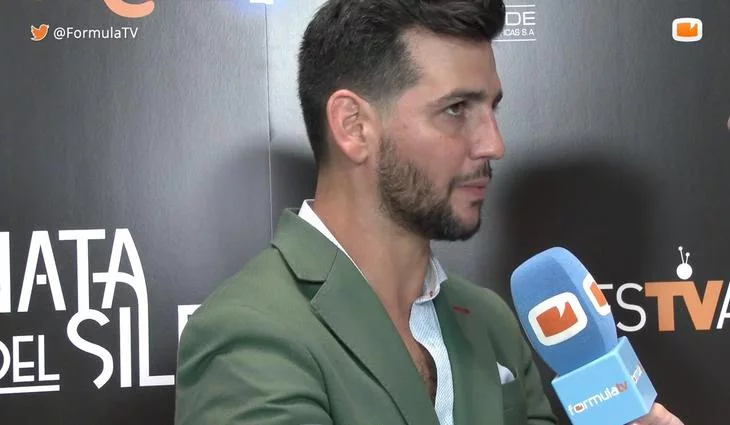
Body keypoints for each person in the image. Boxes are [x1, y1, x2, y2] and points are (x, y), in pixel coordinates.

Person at [174, 1, 684, 424]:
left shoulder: (491, 321)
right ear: (353, 126)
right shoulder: (251, 332)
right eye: (456, 109)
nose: (494, 144)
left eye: (492, 108)